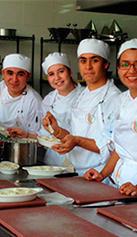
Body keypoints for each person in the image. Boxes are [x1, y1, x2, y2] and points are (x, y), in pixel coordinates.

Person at [83, 39, 137, 204]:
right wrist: (102, 174)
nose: (132, 70)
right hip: (121, 184)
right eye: (125, 64)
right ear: (118, 69)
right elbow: (120, 148)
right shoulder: (120, 100)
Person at [45, 38, 121, 176]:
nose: (88, 67)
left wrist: (77, 140)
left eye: (95, 60)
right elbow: (75, 137)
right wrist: (57, 131)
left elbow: (113, 147)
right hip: (78, 171)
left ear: (105, 64)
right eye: (83, 61)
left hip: (101, 173)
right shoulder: (82, 95)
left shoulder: (114, 98)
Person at [8, 52, 82, 166]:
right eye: (51, 74)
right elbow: (45, 137)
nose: (57, 78)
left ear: (70, 72)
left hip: (79, 161)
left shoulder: (84, 97)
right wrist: (26, 135)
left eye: (61, 71)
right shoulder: (48, 99)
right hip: (52, 162)